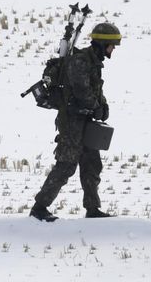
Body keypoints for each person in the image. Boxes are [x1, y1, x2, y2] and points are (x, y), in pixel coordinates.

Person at [30, 23, 121, 222]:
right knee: (66, 164)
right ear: (101, 44)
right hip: (71, 121)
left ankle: (93, 208)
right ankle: (39, 208)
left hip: (86, 120)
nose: (113, 49)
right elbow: (82, 91)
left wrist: (103, 106)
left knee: (91, 164)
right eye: (111, 45)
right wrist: (96, 106)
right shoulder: (80, 61)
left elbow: (96, 90)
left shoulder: (94, 62)